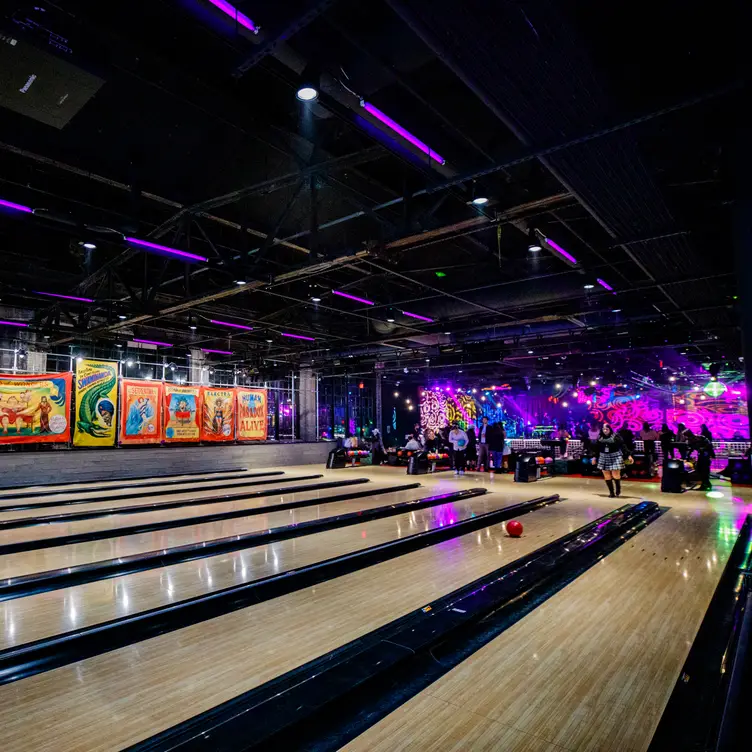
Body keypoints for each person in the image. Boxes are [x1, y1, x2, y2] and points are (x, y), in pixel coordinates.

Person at [593, 424, 631, 497]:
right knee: (606, 475)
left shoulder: (616, 436)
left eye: (606, 429)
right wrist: (594, 457)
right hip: (603, 456)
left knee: (615, 474)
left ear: (610, 429)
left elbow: (623, 446)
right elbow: (596, 448)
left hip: (615, 456)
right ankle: (611, 492)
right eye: (603, 429)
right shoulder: (599, 437)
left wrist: (628, 455)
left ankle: (618, 488)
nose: (605, 431)